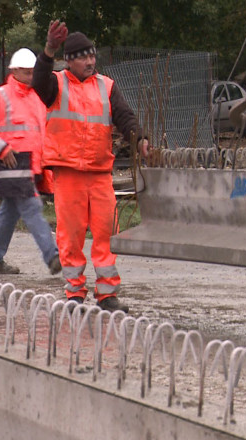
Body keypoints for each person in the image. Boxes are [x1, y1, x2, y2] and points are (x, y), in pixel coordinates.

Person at [32, 21, 150, 313]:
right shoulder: (55, 83)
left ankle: (107, 293)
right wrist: (48, 51)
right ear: (69, 60)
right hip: (68, 173)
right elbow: (37, 82)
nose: (90, 61)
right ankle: (74, 292)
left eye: (92, 55)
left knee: (107, 234)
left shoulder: (106, 86)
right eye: (84, 56)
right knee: (70, 236)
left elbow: (125, 118)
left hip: (99, 174)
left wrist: (140, 139)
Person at [0, 48, 62, 276]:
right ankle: (52, 256)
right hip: (11, 166)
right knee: (32, 209)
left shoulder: (36, 99)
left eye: (33, 72)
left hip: (28, 166)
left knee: (9, 212)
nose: (32, 77)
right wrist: (1, 148)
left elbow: (40, 135)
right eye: (27, 72)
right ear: (15, 71)